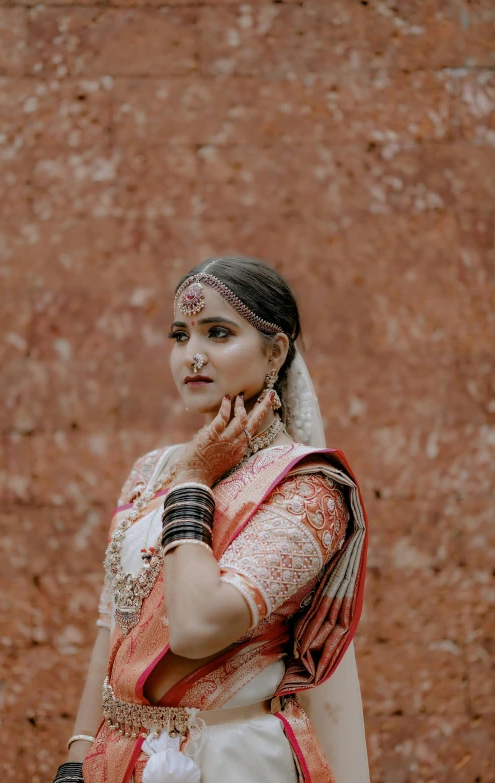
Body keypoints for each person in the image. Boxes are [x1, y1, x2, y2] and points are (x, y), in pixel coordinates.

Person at [54, 256, 369, 783]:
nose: (191, 356)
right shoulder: (149, 472)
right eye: (180, 335)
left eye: (218, 333)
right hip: (117, 759)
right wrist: (75, 757)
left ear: (275, 351)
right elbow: (116, 628)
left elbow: (197, 628)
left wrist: (194, 482)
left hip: (232, 757)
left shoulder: (305, 487)